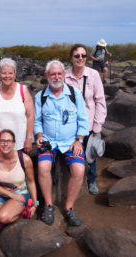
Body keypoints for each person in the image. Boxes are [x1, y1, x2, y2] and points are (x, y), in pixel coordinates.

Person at [34, 60, 89, 226]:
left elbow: (83, 120)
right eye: (53, 74)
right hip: (49, 141)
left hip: (71, 141)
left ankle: (69, 208)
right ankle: (49, 205)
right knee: (43, 167)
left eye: (59, 74)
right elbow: (37, 121)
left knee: (79, 169)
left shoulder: (75, 94)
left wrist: (79, 140)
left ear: (64, 75)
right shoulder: (40, 96)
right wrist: (38, 135)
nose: (56, 77)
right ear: (46, 76)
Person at [65, 44, 107, 195]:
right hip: (69, 125)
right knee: (71, 153)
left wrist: (97, 125)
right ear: (71, 58)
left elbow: (100, 101)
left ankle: (91, 179)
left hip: (88, 123)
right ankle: (71, 180)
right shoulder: (64, 76)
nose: (80, 58)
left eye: (83, 55)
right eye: (77, 56)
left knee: (90, 155)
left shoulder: (93, 75)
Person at [0, 129, 38, 229]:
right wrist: (10, 194)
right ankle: (4, 215)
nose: (5, 144)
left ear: (14, 143)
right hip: (1, 194)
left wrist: (34, 203)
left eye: (9, 141)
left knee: (3, 216)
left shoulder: (25, 159)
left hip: (20, 194)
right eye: (2, 141)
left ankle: (20, 213)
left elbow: (31, 181)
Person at [0, 58, 34, 153]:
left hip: (19, 144)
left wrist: (29, 139)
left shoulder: (23, 90)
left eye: (10, 73)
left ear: (15, 74)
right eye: (4, 73)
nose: (7, 76)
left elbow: (30, 116)